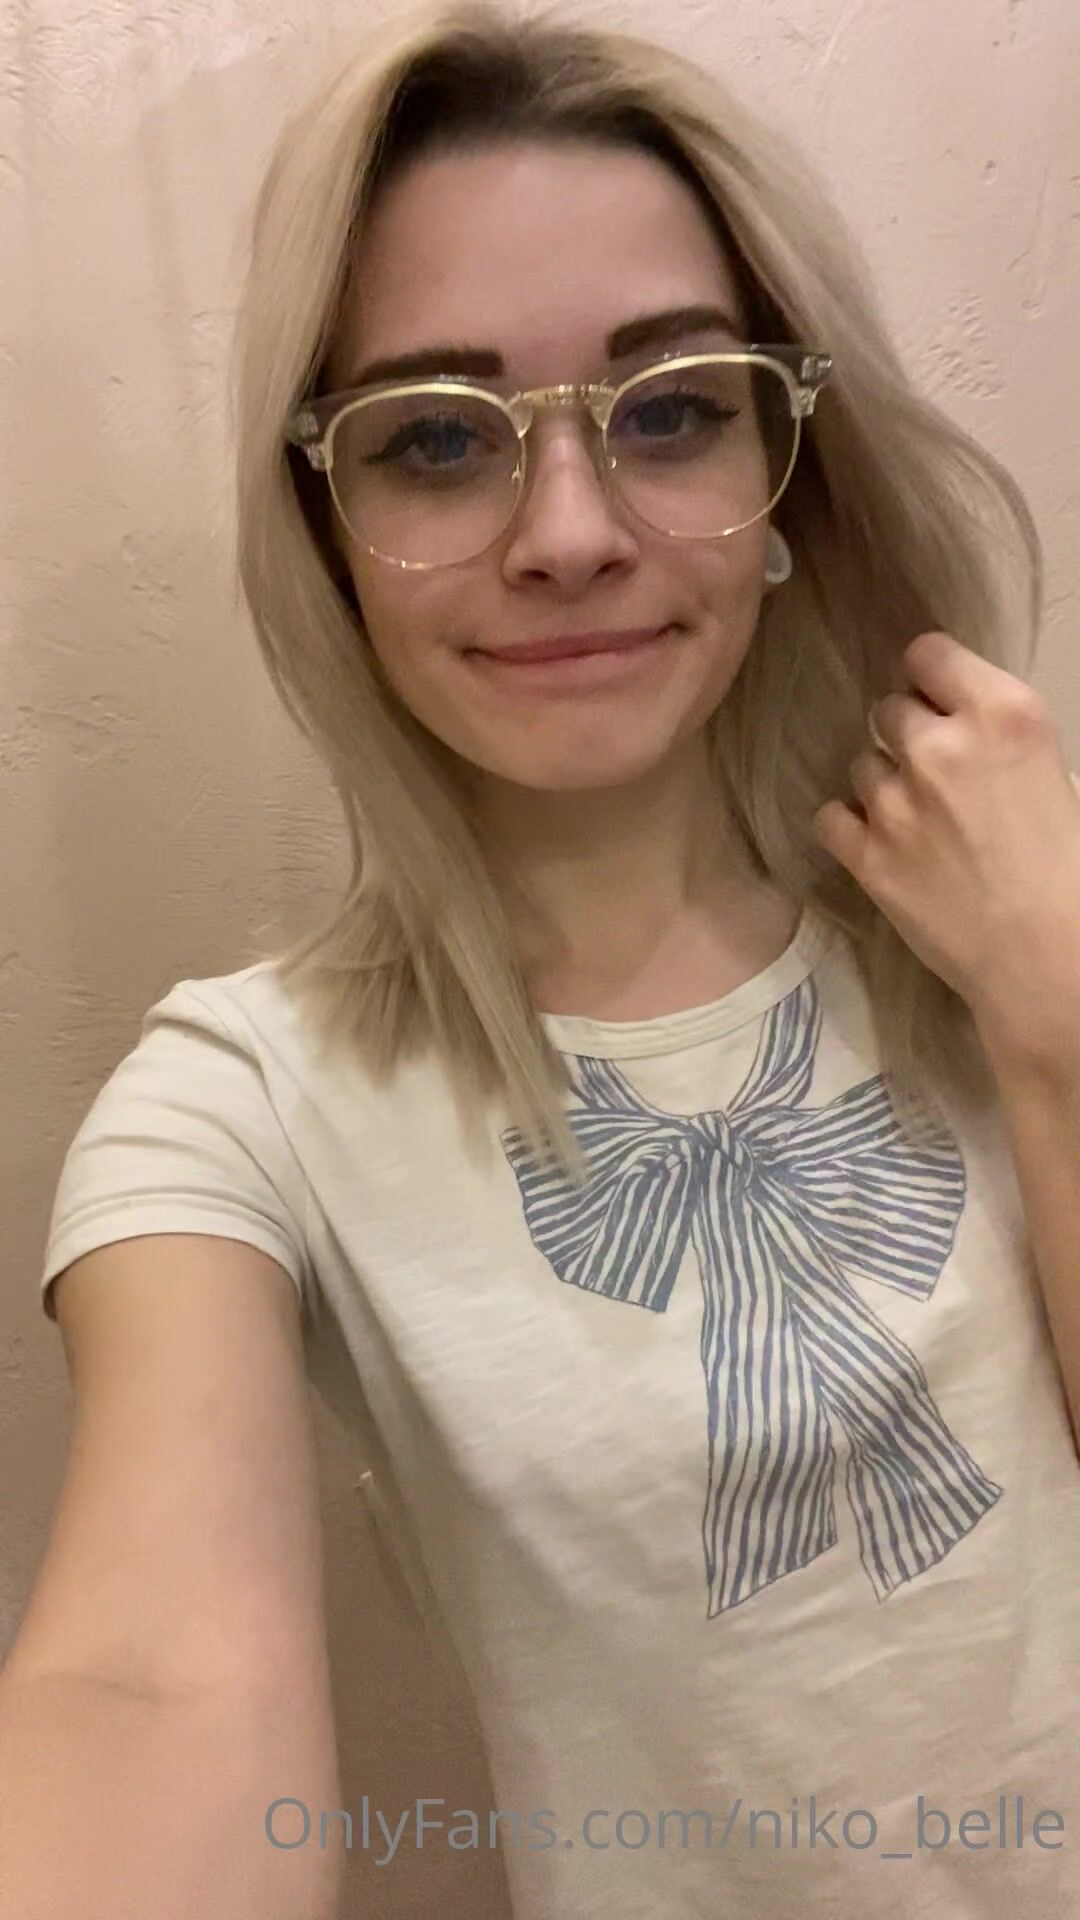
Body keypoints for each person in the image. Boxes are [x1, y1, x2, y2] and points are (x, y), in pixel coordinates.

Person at [4, 4, 1079, 1917]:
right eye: (436, 440)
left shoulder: (1019, 895)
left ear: (787, 466)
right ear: (326, 523)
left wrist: (1059, 1017)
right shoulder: (242, 1104)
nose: (569, 533)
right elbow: (143, 1681)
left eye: (671, 410)